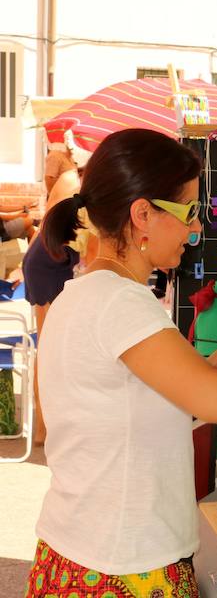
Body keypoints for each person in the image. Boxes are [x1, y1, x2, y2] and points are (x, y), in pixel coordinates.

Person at [25, 128, 217, 597]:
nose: (196, 230)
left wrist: (213, 366)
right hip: (121, 567)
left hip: (82, 551)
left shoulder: (86, 293)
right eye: (189, 213)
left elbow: (130, 407)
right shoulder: (121, 302)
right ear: (142, 214)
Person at [21, 165, 92, 445]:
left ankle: (46, 425)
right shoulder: (76, 184)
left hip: (48, 258)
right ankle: (43, 428)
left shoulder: (72, 180)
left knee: (51, 346)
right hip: (48, 263)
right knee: (49, 347)